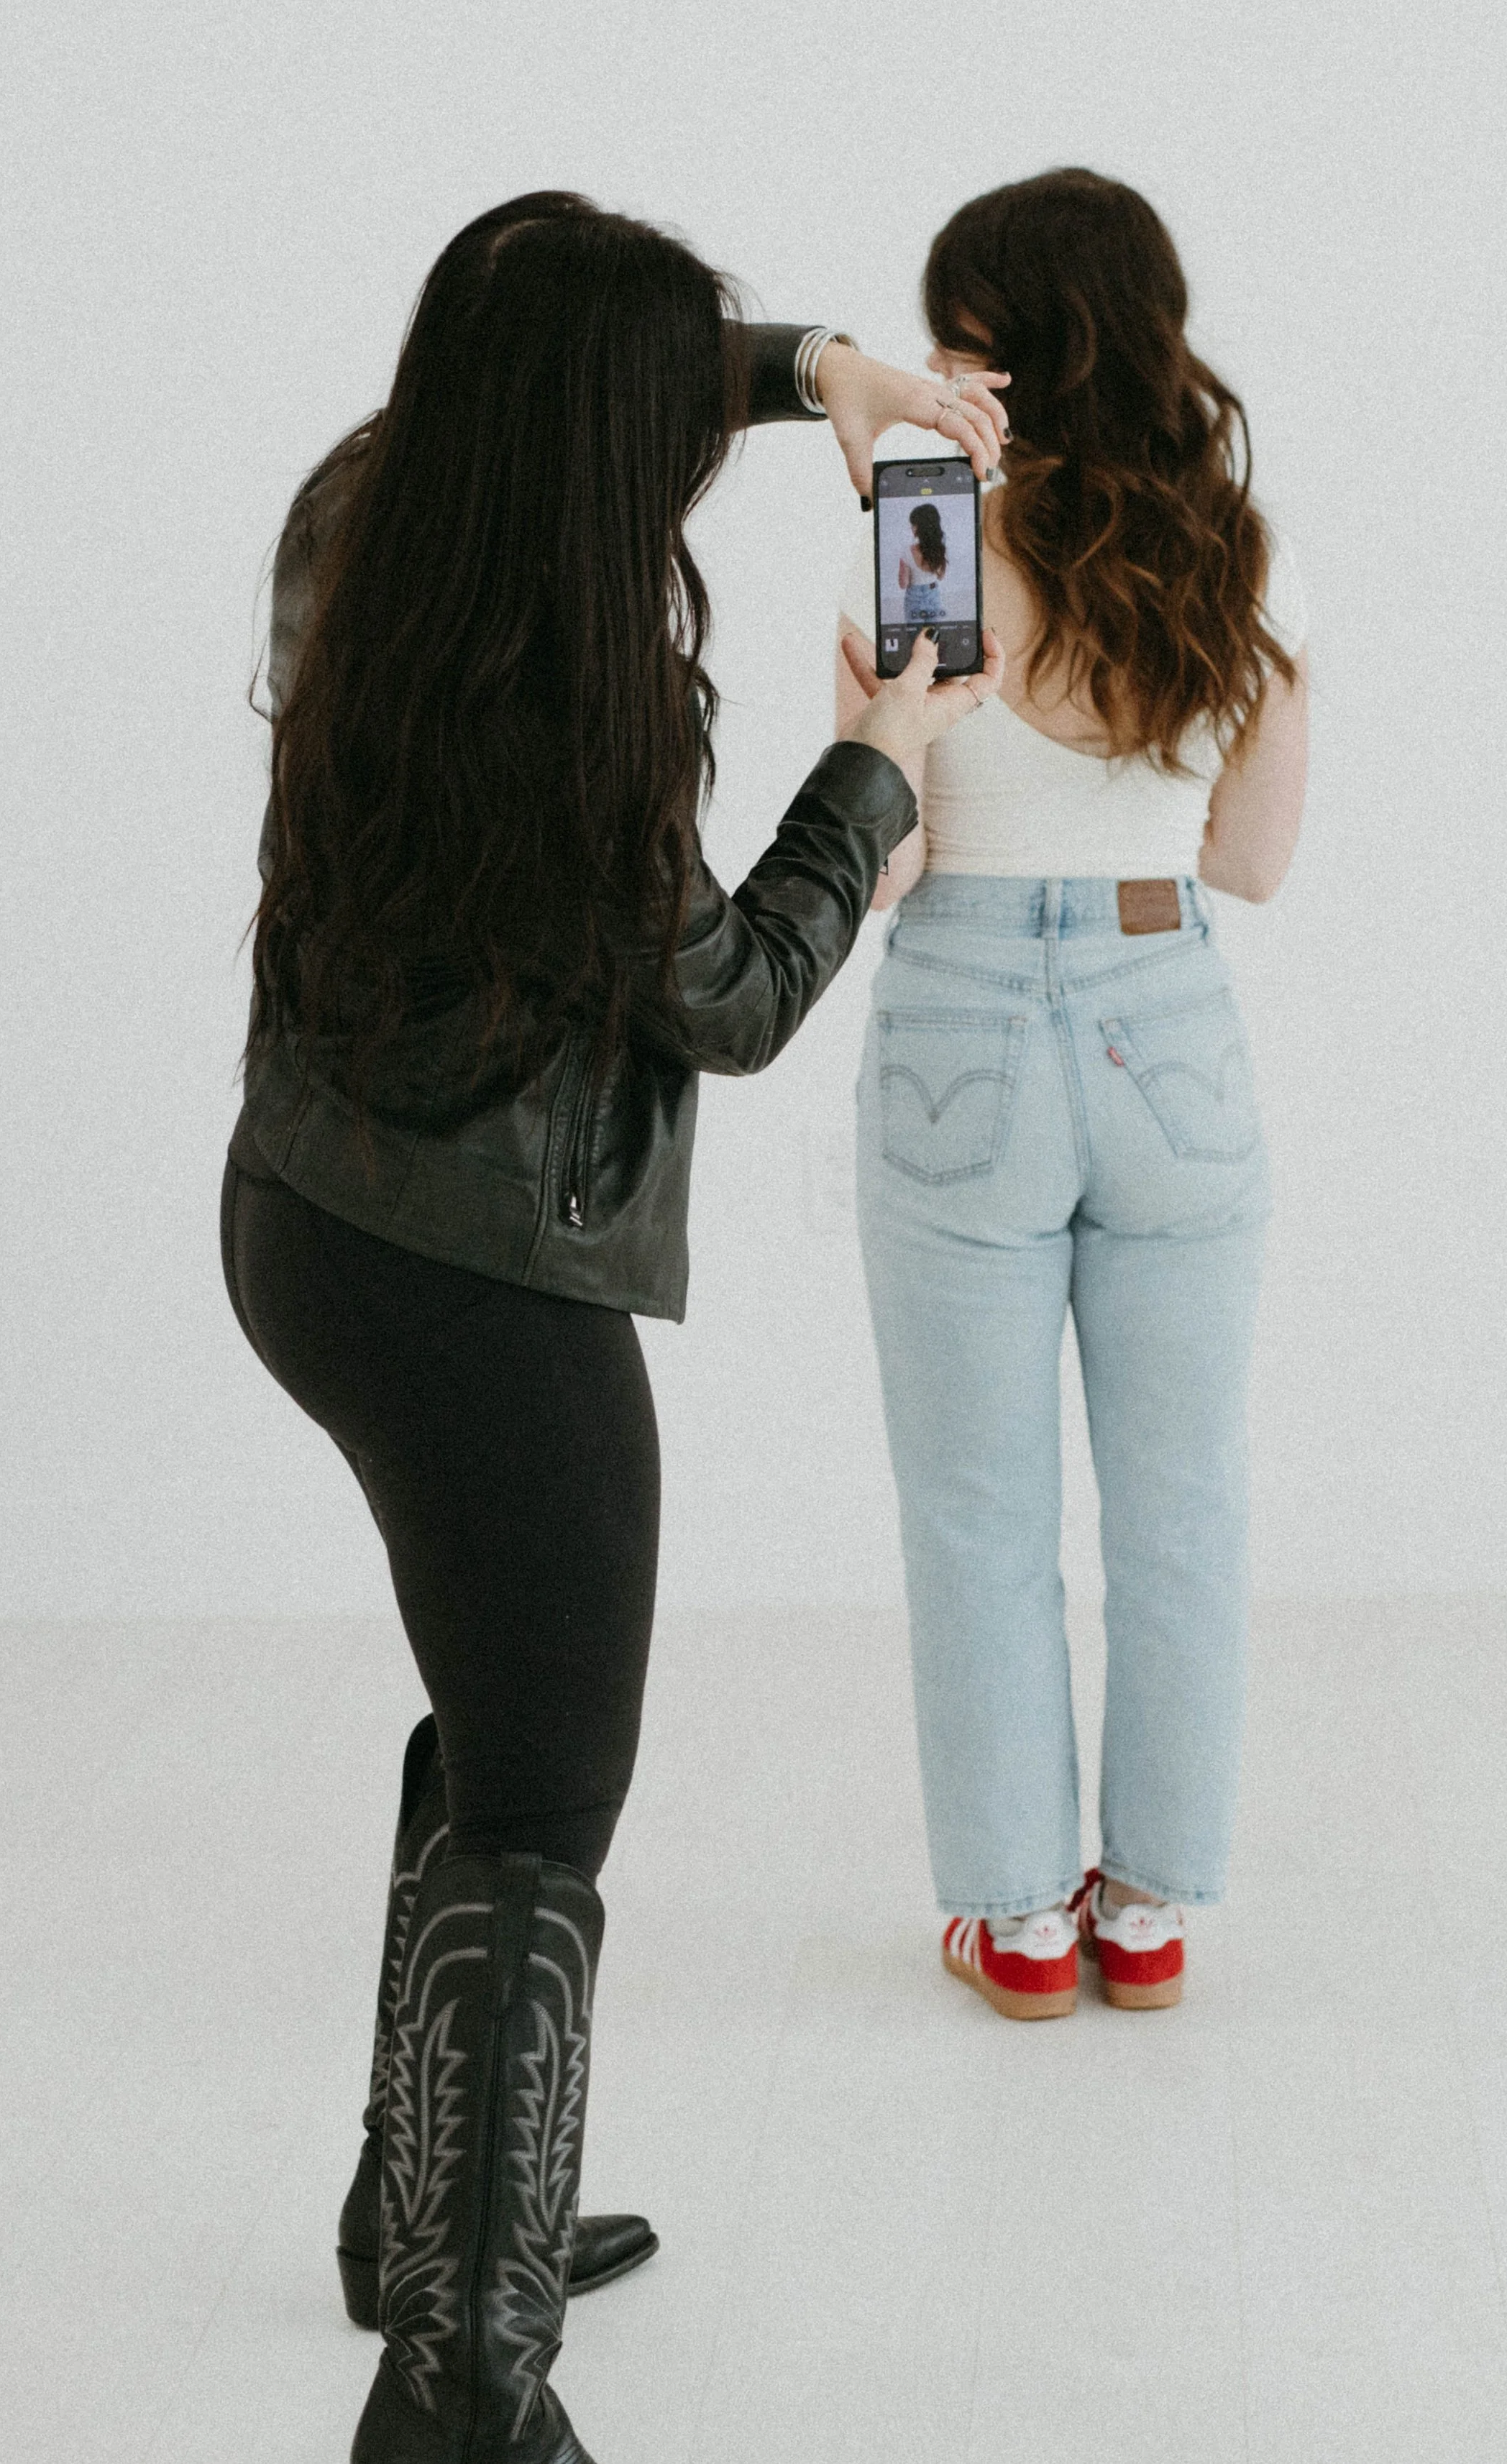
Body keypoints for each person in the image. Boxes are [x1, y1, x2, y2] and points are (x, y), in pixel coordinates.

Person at [222, 190, 1005, 2464]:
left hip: (301, 1223)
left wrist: (819, 372)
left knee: (490, 1715)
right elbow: (728, 1002)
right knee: (547, 1790)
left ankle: (426, 2218)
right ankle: (464, 2378)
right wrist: (878, 772)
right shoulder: (581, 704)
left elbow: (553, 373)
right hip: (484, 1287)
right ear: (605, 442)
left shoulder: (359, 531)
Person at [837, 169, 1309, 2025]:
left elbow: (876, 864)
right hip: (1168, 1022)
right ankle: (1153, 1911)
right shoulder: (1221, 551)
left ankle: (1021, 1921)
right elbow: (1253, 863)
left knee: (975, 1507)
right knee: (1180, 1501)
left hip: (960, 1013)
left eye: (956, 331)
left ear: (1011, 350)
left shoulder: (929, 524)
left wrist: (866, 699)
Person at [898, 502, 949, 620]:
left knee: (915, 636)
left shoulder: (907, 551)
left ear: (918, 527)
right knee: (933, 635)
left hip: (913, 596)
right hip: (933, 593)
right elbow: (941, 577)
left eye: (913, 524)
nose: (911, 528)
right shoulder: (941, 550)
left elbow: (903, 584)